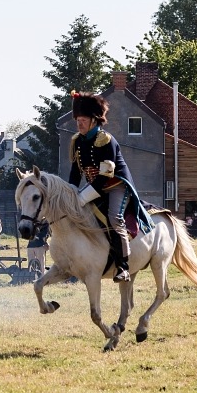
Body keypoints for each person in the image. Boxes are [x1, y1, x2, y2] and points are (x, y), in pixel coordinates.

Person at [68, 93, 141, 284]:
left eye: (83, 120)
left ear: (93, 120)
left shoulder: (106, 140)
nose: (79, 124)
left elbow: (105, 175)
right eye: (77, 120)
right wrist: (71, 193)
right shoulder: (77, 141)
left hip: (115, 185)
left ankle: (123, 267)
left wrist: (83, 196)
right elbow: (75, 172)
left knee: (114, 219)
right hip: (94, 185)